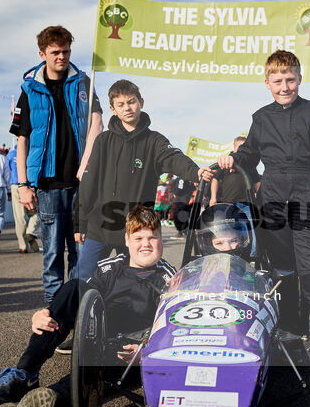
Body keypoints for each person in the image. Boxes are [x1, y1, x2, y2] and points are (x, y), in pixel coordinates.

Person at [0, 205, 175, 407]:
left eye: (153, 237)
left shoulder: (170, 279)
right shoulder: (110, 268)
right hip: (97, 335)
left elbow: (173, 328)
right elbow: (81, 302)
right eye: (138, 237)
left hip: (130, 353)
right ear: (127, 240)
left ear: (162, 240)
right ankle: (25, 373)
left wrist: (148, 350)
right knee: (73, 287)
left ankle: (47, 400)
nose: (146, 243)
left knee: (90, 375)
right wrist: (44, 314)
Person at [218, 50, 310, 331]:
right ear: (267, 83)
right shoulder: (261, 118)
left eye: (290, 79)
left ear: (300, 79)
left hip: (308, 195)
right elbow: (248, 155)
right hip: (273, 198)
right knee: (280, 269)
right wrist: (232, 159)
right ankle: (290, 327)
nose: (284, 87)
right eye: (278, 81)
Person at [75, 79, 209, 281]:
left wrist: (195, 172)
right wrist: (80, 222)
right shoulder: (103, 141)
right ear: (113, 109)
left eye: (131, 102)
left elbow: (175, 158)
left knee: (133, 281)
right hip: (100, 226)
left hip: (137, 228)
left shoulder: (155, 141)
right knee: (83, 277)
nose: (127, 108)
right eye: (120, 104)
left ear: (141, 102)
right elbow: (88, 184)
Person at [13, 25, 103, 303]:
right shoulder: (30, 89)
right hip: (48, 186)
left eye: (65, 51)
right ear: (42, 53)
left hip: (81, 185)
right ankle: (55, 317)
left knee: (80, 256)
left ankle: (77, 318)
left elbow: (98, 123)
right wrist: (23, 185)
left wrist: (86, 164)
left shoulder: (84, 83)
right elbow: (22, 141)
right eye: (55, 52)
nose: (61, 57)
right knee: (52, 257)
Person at [7, 143, 40, 253]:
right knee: (35, 212)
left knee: (19, 217)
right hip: (30, 184)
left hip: (15, 185)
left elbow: (7, 171)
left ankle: (22, 246)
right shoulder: (32, 151)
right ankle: (30, 232)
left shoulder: (11, 154)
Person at [214, 136, 261, 204]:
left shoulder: (249, 163)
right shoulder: (225, 161)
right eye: (241, 147)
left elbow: (257, 182)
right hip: (229, 202)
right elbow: (215, 179)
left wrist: (259, 199)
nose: (243, 149)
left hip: (248, 203)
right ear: (235, 147)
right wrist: (213, 197)